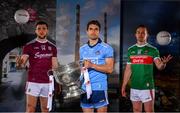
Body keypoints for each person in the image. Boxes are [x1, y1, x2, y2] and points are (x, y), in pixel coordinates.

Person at [121, 24, 172, 112]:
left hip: (147, 87)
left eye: (143, 33)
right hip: (134, 87)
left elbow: (159, 67)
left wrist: (163, 63)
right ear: (135, 34)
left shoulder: (153, 50)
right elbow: (128, 69)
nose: (140, 34)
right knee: (136, 110)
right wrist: (124, 85)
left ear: (147, 35)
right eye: (138, 32)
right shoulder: (130, 50)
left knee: (149, 111)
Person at [16, 21, 58, 113]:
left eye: (44, 28)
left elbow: (55, 66)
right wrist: (19, 64)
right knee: (30, 109)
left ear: (47, 31)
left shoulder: (53, 47)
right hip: (33, 82)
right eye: (39, 28)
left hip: (47, 82)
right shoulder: (28, 46)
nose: (41, 31)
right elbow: (22, 64)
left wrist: (58, 80)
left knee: (45, 109)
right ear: (35, 31)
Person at [79, 20, 114, 113]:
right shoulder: (82, 49)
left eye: (96, 29)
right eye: (91, 29)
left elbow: (110, 69)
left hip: (99, 88)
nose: (93, 31)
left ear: (99, 31)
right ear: (87, 31)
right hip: (84, 88)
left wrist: (92, 65)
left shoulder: (107, 48)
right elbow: (81, 68)